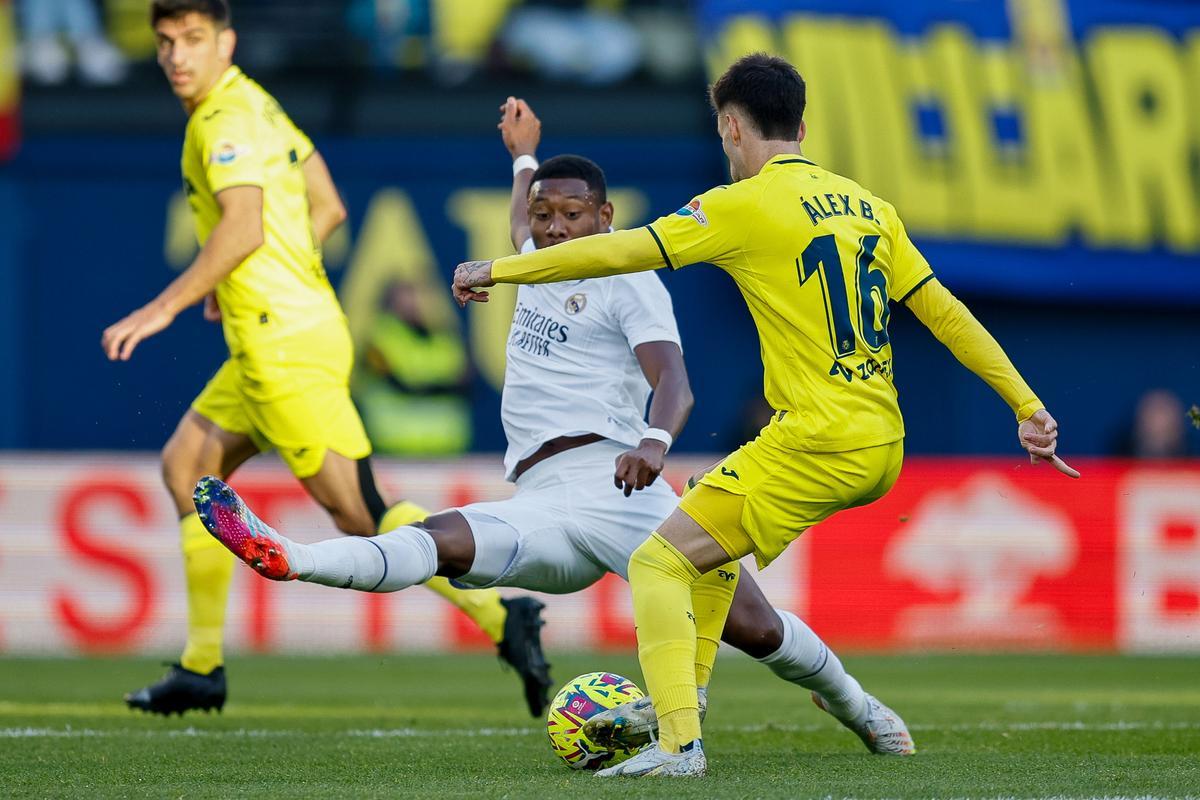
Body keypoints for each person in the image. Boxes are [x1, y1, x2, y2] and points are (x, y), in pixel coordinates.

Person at [192, 96, 914, 757]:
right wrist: (524, 159)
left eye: (573, 216)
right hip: (543, 500)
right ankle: (286, 556)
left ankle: (855, 704)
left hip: (618, 487)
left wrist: (653, 444)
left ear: (605, 220)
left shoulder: (629, 279)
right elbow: (518, 224)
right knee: (439, 542)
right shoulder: (533, 260)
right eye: (546, 217)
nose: (554, 228)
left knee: (754, 628)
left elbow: (675, 382)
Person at [451, 55, 1079, 777]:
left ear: (729, 126)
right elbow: (945, 313)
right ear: (803, 126)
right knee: (706, 546)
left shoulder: (740, 204)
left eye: (724, 136)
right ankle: (691, 704)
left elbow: (618, 250)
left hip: (817, 437)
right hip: (880, 439)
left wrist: (498, 269)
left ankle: (679, 743)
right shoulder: (869, 205)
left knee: (658, 559)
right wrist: (1027, 406)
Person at [101, 0, 548, 718]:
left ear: (226, 42)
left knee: (362, 514)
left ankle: (503, 618)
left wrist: (167, 306)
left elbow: (242, 227)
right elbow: (329, 207)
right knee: (187, 469)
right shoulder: (260, 105)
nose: (176, 56)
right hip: (276, 336)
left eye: (192, 39)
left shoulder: (222, 120)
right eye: (164, 42)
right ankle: (202, 666)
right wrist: (250, 275)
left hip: (282, 346)